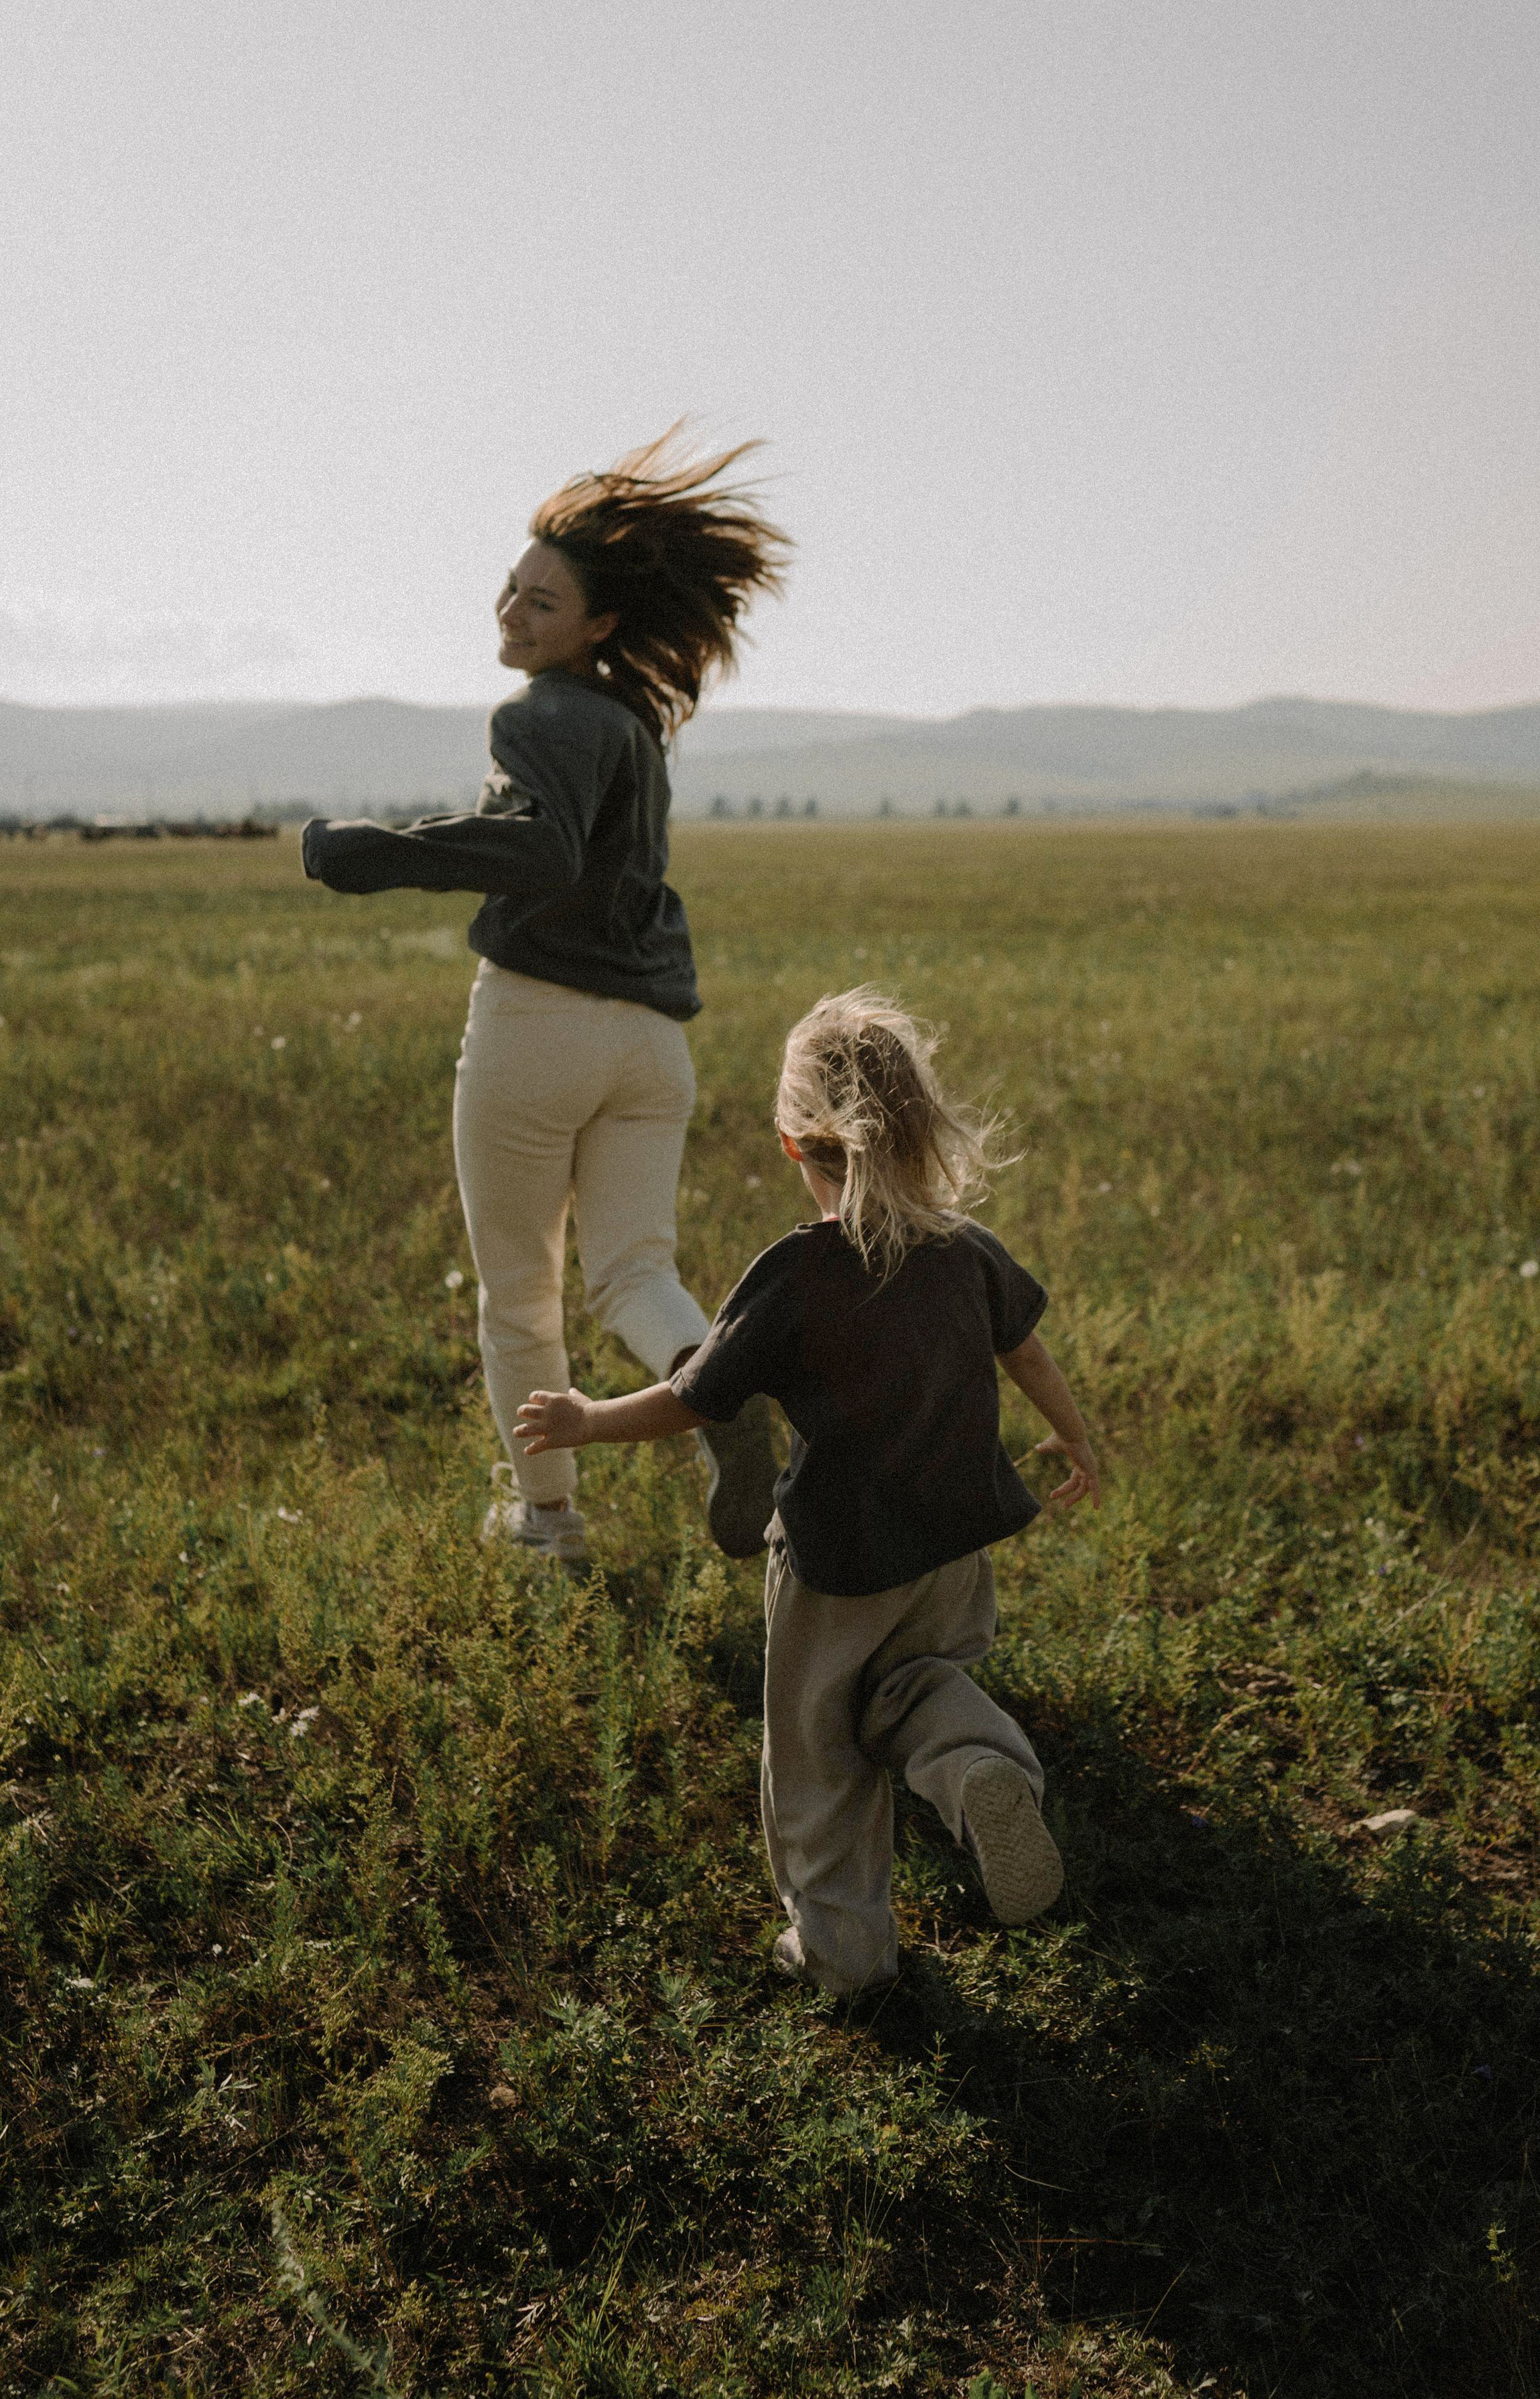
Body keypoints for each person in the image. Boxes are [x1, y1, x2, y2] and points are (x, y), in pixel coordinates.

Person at [516, 987, 1100, 1996]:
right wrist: (1075, 1436)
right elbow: (1029, 1352)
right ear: (917, 1124)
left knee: (818, 1756)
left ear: (793, 1142)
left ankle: (844, 1953)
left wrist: (586, 1418)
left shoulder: (794, 1275)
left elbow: (695, 1398)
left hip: (836, 1561)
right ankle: (978, 1766)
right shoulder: (966, 1250)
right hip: (953, 1546)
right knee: (913, 1686)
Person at [300, 431, 788, 1568]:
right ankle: (715, 1391)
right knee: (635, 1273)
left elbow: (543, 847)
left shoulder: (538, 716)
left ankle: (548, 1522)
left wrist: (371, 850)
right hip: (651, 1043)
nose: (511, 612)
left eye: (542, 601)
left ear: (599, 625)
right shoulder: (635, 730)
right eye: (512, 589)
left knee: (520, 1294)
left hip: (536, 1028)